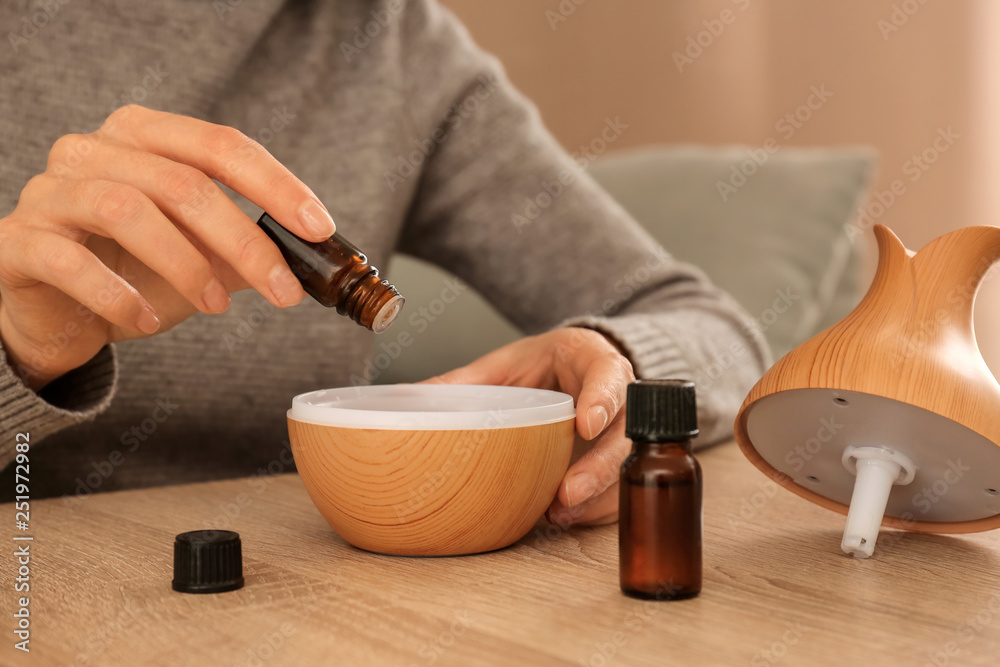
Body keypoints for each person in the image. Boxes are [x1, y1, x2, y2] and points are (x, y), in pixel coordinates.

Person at [0, 0, 768, 525]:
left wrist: (624, 362)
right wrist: (23, 344)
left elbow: (720, 332)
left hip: (314, 593)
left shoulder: (396, 42)